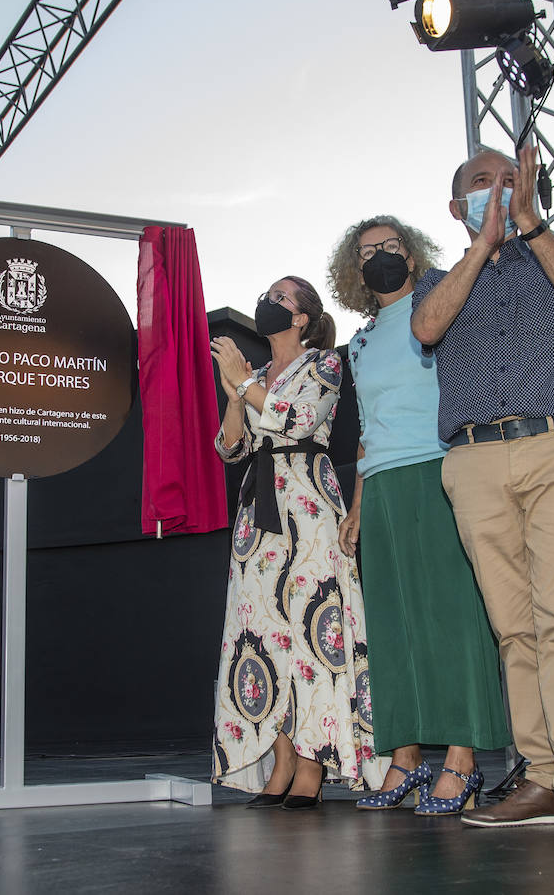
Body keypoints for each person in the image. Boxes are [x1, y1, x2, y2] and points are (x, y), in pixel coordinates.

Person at [410, 145, 554, 843]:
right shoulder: (442, 279)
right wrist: (484, 245)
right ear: (455, 207)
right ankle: (539, 775)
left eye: (509, 179)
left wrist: (529, 225)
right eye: (481, 183)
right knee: (514, 627)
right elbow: (427, 327)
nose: (497, 189)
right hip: (472, 461)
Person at [325, 216, 510, 815]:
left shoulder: (441, 305)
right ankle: (403, 761)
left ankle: (462, 761)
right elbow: (364, 434)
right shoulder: (359, 340)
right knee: (391, 623)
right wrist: (356, 504)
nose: (380, 256)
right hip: (379, 485)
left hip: (439, 468)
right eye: (368, 251)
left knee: (452, 615)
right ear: (354, 270)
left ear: (412, 252)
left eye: (391, 246)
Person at [209, 275, 385, 809]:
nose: (268, 302)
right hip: (257, 512)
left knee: (313, 630)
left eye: (280, 297)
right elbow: (229, 448)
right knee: (263, 633)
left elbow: (296, 420)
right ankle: (280, 760)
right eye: (265, 294)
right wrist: (234, 391)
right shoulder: (255, 374)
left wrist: (242, 385)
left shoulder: (324, 364)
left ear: (303, 316)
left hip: (307, 502)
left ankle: (311, 762)